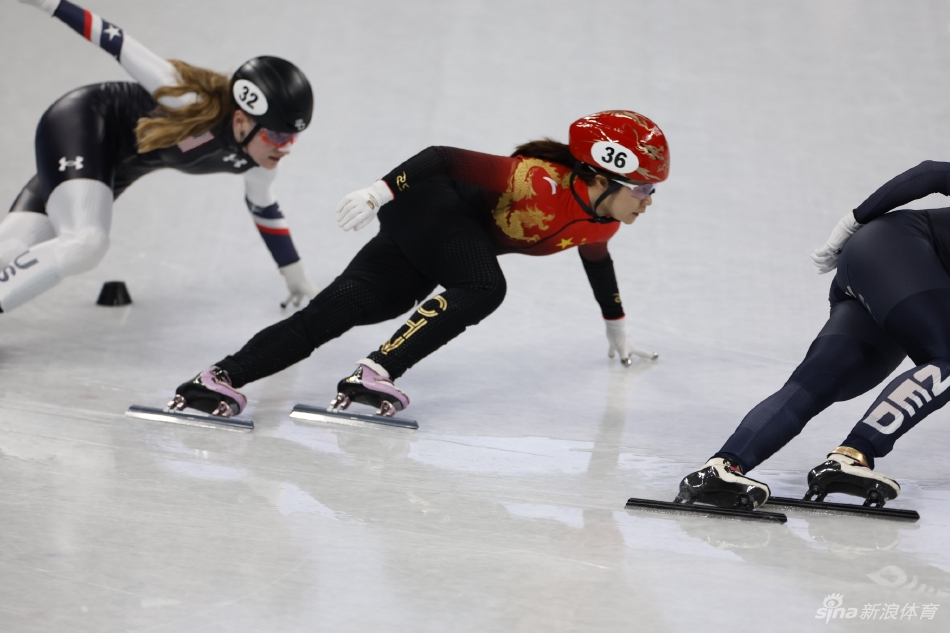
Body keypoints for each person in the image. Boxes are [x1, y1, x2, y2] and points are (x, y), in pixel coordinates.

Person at [168, 110, 670, 418]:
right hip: (430, 205)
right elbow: (444, 156)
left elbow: (597, 262)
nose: (649, 201)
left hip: (442, 238)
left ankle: (216, 379)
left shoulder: (601, 223)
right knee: (483, 286)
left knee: (343, 309)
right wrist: (376, 192)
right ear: (602, 177)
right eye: (644, 188)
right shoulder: (535, 179)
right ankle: (376, 371)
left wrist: (616, 328)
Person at [1, 0, 318, 315]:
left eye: (293, 137)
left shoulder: (259, 165)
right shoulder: (187, 99)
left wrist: (296, 277)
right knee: (86, 243)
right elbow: (116, 41)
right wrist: (48, 3)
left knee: (11, 250)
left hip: (111, 169)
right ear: (240, 121)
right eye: (277, 135)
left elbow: (264, 210)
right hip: (84, 122)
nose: (286, 147)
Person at [676, 160, 950, 510]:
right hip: (898, 251)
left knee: (825, 377)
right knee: (945, 359)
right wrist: (852, 220)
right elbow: (932, 173)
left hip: (887, 267)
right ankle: (853, 456)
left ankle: (721, 468)